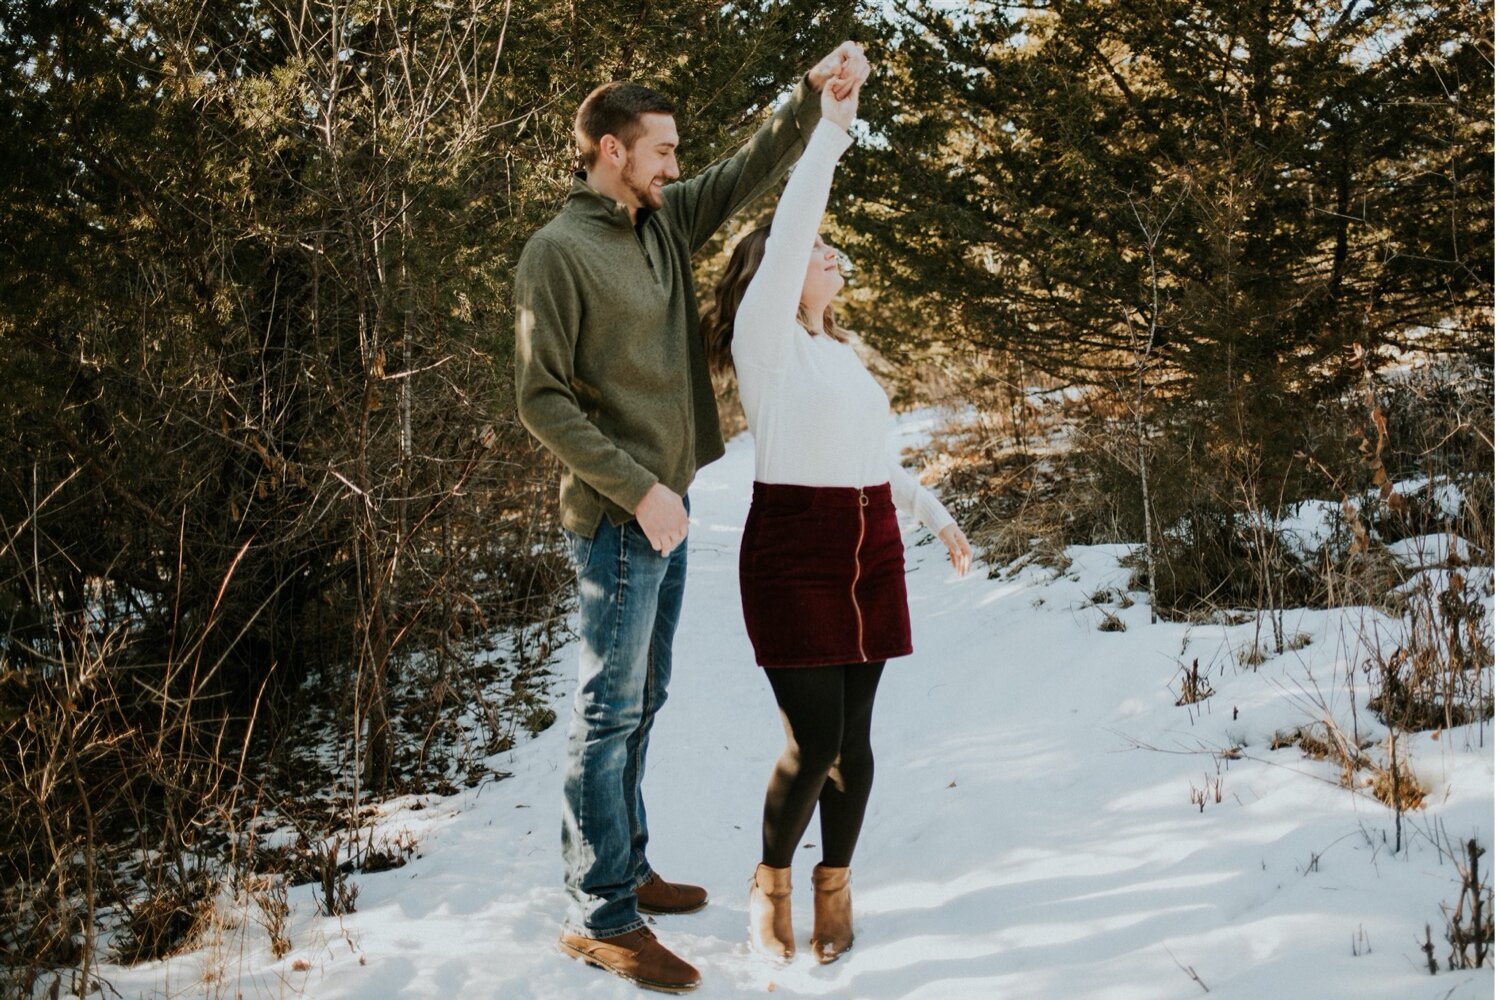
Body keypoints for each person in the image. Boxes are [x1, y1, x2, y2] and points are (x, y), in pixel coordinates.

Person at [513, 42, 873, 993]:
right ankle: (601, 915)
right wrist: (638, 488)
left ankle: (623, 863)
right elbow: (542, 400)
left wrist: (813, 101)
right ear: (606, 151)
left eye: (676, 152)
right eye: (660, 150)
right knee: (607, 710)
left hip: (665, 514)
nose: (676, 166)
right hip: (617, 518)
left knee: (644, 702)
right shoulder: (559, 253)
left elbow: (750, 168)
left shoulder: (662, 226)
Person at [700, 72, 973, 965]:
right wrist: (831, 131)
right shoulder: (765, 341)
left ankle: (836, 883)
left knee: (856, 742)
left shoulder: (844, 360)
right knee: (813, 738)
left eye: (825, 248)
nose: (826, 254)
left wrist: (936, 517)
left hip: (872, 550)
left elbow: (877, 464)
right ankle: (771, 883)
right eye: (814, 247)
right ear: (770, 273)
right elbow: (788, 232)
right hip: (794, 552)